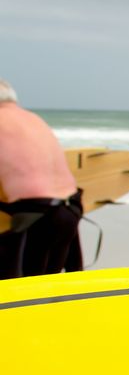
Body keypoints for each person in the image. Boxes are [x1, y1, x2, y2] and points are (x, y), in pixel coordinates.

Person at [0, 79, 83, 280]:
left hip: (35, 217)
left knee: (16, 295)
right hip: (70, 209)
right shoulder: (33, 118)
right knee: (48, 290)